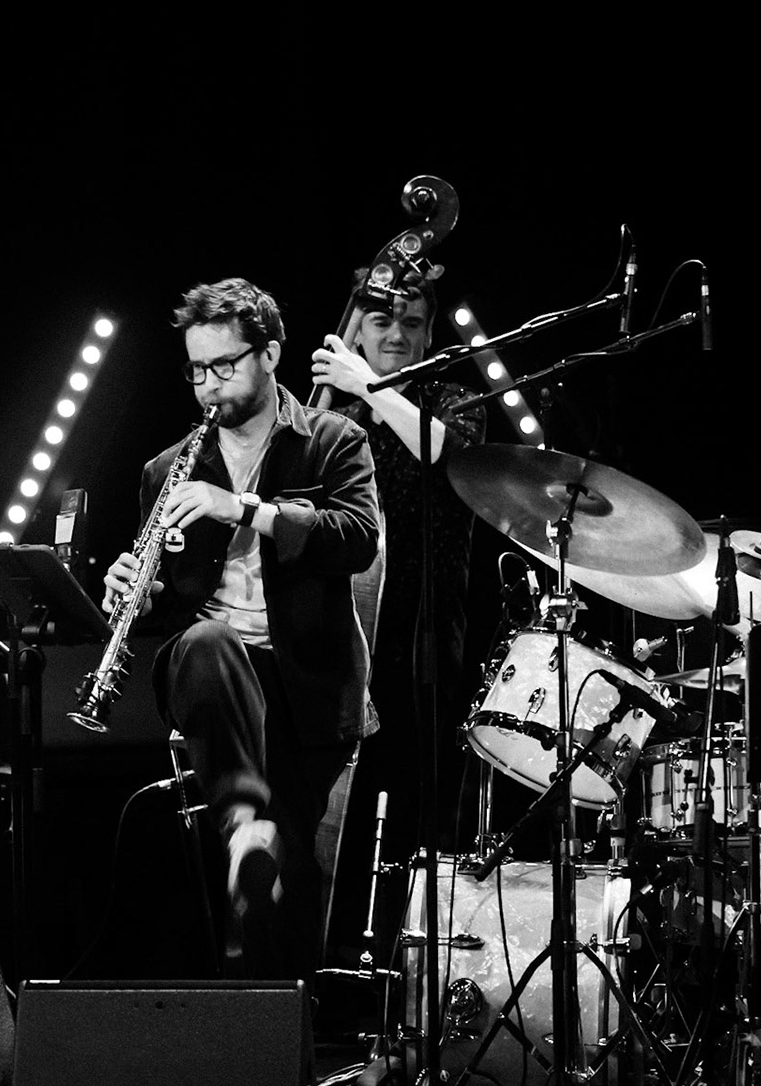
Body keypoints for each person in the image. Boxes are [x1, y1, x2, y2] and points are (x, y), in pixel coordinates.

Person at [101, 278, 381, 982]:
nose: (207, 387)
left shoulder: (333, 442)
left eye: (224, 366)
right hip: (214, 678)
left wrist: (245, 509)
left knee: (280, 912)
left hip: (308, 687)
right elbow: (167, 611)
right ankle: (243, 820)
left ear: (271, 354)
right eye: (197, 370)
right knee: (205, 640)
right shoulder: (168, 469)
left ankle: (280, 1058)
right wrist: (134, 591)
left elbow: (357, 539)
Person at [309, 269, 488, 917]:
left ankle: (406, 963)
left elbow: (442, 452)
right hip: (341, 644)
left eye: (410, 323)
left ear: (430, 332)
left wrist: (367, 384)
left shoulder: (450, 397)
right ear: (358, 326)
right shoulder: (334, 414)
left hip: (425, 641)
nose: (395, 335)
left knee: (416, 816)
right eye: (381, 321)